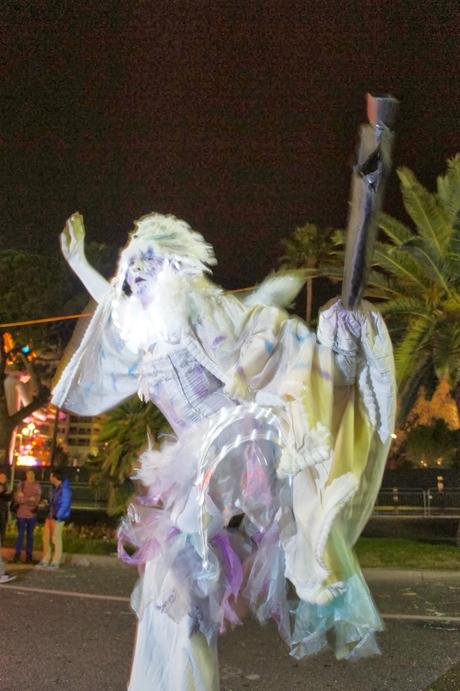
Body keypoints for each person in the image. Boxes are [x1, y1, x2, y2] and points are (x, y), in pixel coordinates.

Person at [53, 212, 396, 690]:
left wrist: (330, 345)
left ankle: (192, 660)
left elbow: (268, 341)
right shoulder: (150, 335)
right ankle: (178, 670)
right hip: (192, 464)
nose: (134, 278)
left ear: (172, 268)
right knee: (168, 581)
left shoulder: (203, 310)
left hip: (234, 444)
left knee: (184, 562)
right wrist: (80, 263)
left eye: (144, 268)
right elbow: (114, 307)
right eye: (130, 271)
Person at [37, 470, 72, 569]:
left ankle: (55, 561)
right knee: (46, 538)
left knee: (55, 539)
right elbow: (53, 502)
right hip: (50, 516)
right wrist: (47, 503)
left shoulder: (65, 489)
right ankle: (45, 559)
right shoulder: (53, 488)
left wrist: (58, 516)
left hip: (58, 518)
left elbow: (65, 504)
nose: (50, 478)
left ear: (56, 477)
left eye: (51, 476)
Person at [13, 469, 41, 564]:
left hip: (32, 514)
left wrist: (24, 498)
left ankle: (29, 555)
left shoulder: (37, 485)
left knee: (30, 536)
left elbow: (37, 500)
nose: (30, 475)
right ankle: (17, 555)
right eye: (28, 474)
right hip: (21, 514)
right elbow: (17, 499)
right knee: (20, 535)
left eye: (32, 474)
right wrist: (29, 499)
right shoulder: (21, 484)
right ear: (26, 475)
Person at [0, 471, 12, 544]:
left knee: (3, 525)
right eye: (1, 477)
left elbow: (8, 499)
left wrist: (9, 494)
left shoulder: (6, 486)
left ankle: (2, 541)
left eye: (4, 477)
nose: (3, 478)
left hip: (3, 509)